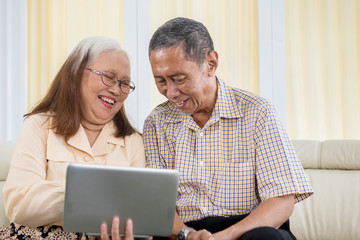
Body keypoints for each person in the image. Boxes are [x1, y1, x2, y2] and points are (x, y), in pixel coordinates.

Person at [142, 17, 314, 240]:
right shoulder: (156, 123)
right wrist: (187, 234)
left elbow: (281, 201)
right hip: (185, 234)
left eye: (179, 78)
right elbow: (159, 204)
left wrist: (225, 237)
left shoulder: (258, 113)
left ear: (211, 63)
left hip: (247, 230)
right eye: (161, 81)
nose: (171, 92)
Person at [1, 36, 145, 239]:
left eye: (124, 84)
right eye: (108, 77)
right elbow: (20, 205)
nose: (115, 89)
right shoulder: (39, 126)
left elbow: (137, 215)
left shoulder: (133, 141)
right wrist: (86, 193)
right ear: (76, 74)